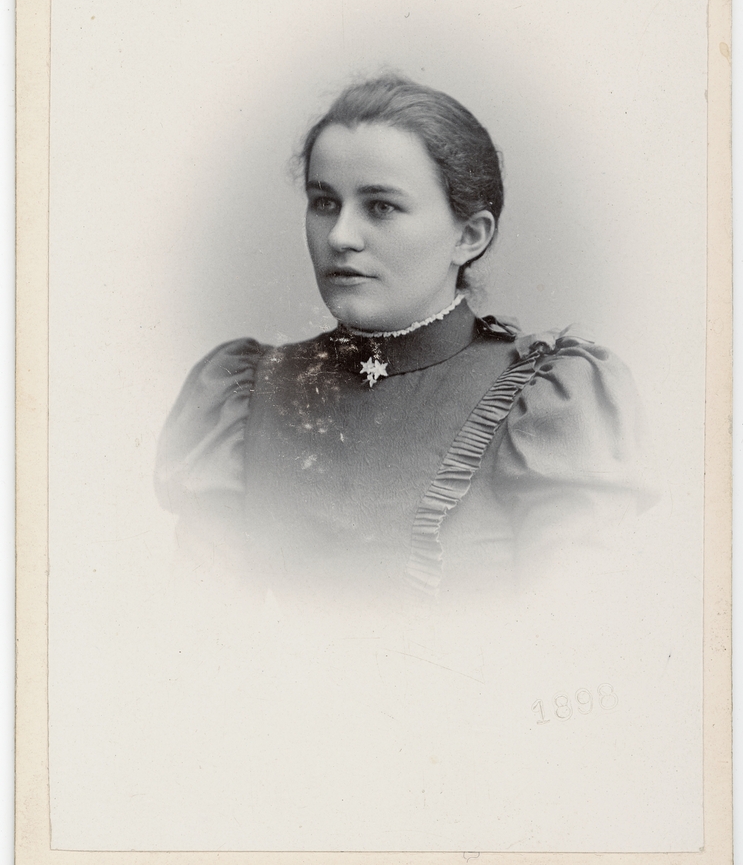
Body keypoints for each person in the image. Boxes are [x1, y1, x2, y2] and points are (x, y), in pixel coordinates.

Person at [155, 74, 654, 616]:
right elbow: (200, 635)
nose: (341, 236)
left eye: (381, 207)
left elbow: (576, 632)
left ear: (469, 236)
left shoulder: (547, 401)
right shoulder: (245, 394)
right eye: (324, 203)